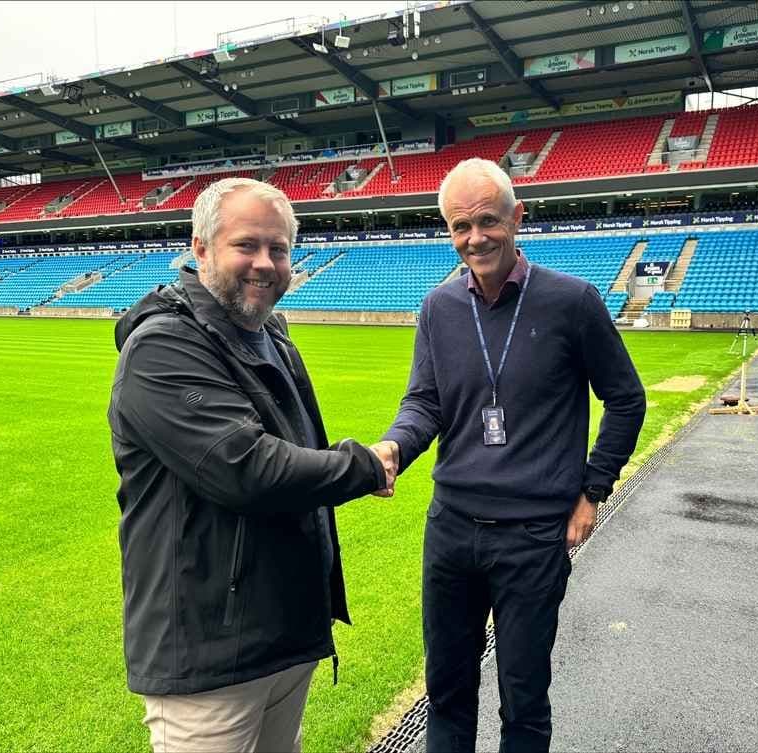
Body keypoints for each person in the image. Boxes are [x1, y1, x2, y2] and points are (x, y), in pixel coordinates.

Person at [108, 177, 397, 753]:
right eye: (247, 245)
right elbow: (248, 469)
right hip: (209, 653)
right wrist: (363, 466)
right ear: (201, 247)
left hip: (283, 633)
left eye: (280, 248)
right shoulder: (160, 348)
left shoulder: (269, 333)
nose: (265, 263)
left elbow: (294, 451)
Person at [380, 158, 646, 753]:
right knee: (447, 692)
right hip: (450, 531)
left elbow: (626, 399)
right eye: (458, 226)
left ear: (517, 217)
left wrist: (592, 491)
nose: (474, 239)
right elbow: (425, 402)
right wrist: (394, 446)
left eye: (487, 221)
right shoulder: (438, 308)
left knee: (523, 699)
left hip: (533, 535)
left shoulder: (571, 302)